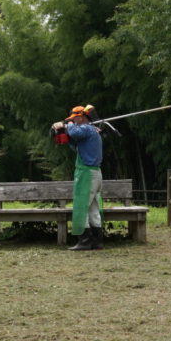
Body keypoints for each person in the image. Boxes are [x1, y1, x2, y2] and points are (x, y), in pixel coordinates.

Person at [53, 105, 104, 250]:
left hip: (87, 174)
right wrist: (63, 133)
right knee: (93, 208)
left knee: (81, 207)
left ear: (81, 117)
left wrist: (66, 124)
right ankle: (97, 241)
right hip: (95, 173)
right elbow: (75, 145)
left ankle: (85, 241)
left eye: (74, 119)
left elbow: (74, 132)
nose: (73, 122)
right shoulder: (92, 131)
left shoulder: (87, 128)